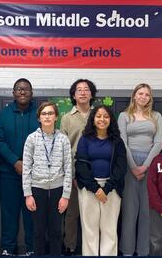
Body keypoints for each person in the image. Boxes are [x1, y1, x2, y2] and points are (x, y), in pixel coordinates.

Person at [0, 78, 39, 256]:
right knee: (9, 213)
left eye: (26, 89)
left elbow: (44, 140)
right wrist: (14, 161)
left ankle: (31, 248)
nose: (22, 92)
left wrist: (27, 164)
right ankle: (8, 248)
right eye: (18, 89)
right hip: (8, 173)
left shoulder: (39, 113)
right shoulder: (3, 114)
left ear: (31, 93)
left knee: (31, 213)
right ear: (13, 93)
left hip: (35, 173)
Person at [118, 83, 162, 256]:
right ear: (134, 96)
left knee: (147, 212)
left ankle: (143, 251)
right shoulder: (124, 116)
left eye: (147, 94)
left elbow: (159, 143)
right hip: (129, 164)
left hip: (150, 164)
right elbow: (122, 142)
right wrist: (133, 167)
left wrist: (145, 166)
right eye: (140, 93)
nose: (143, 97)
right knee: (129, 211)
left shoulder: (156, 116)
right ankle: (128, 251)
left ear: (149, 98)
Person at [75, 105, 127, 256]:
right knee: (89, 229)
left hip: (112, 189)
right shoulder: (85, 139)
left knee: (109, 228)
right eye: (98, 116)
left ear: (111, 120)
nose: (102, 119)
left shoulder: (117, 141)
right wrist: (96, 188)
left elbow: (121, 167)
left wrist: (106, 189)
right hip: (88, 188)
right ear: (93, 119)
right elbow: (80, 164)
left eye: (106, 116)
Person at [23, 102, 72, 256]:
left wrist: (66, 195)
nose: (47, 116)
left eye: (50, 113)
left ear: (56, 116)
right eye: (44, 114)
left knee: (56, 231)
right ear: (39, 118)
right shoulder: (31, 139)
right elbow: (26, 168)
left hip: (58, 190)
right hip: (37, 189)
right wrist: (28, 194)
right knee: (38, 232)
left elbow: (69, 168)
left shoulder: (63, 139)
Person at [60, 79, 97, 255]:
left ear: (91, 94)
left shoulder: (99, 115)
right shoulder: (67, 118)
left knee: (93, 213)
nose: (82, 93)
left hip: (96, 172)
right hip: (73, 172)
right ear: (73, 95)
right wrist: (71, 175)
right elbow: (64, 149)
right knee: (72, 213)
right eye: (79, 90)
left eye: (86, 90)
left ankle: (91, 247)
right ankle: (70, 246)